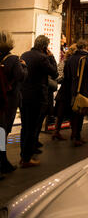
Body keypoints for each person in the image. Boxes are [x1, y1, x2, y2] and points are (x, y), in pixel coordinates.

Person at [20, 36, 58, 167]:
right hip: (37, 97)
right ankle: (27, 158)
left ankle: (23, 155)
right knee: (32, 128)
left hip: (24, 95)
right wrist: (51, 57)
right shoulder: (43, 58)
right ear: (45, 47)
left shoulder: (25, 54)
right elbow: (54, 73)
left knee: (25, 127)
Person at [0, 31, 27, 175]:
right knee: (3, 131)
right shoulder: (13, 59)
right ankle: (2, 163)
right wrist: (24, 66)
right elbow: (21, 77)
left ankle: (3, 162)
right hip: (8, 100)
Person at [64, 39, 88, 146]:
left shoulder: (71, 58)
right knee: (81, 112)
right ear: (85, 47)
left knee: (74, 112)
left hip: (72, 88)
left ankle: (73, 133)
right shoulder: (86, 58)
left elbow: (66, 75)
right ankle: (77, 136)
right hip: (84, 88)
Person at [52, 44, 77, 141]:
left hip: (64, 90)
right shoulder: (73, 62)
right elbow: (60, 76)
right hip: (70, 90)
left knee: (60, 113)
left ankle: (56, 132)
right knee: (73, 113)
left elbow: (58, 76)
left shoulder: (64, 61)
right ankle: (74, 134)